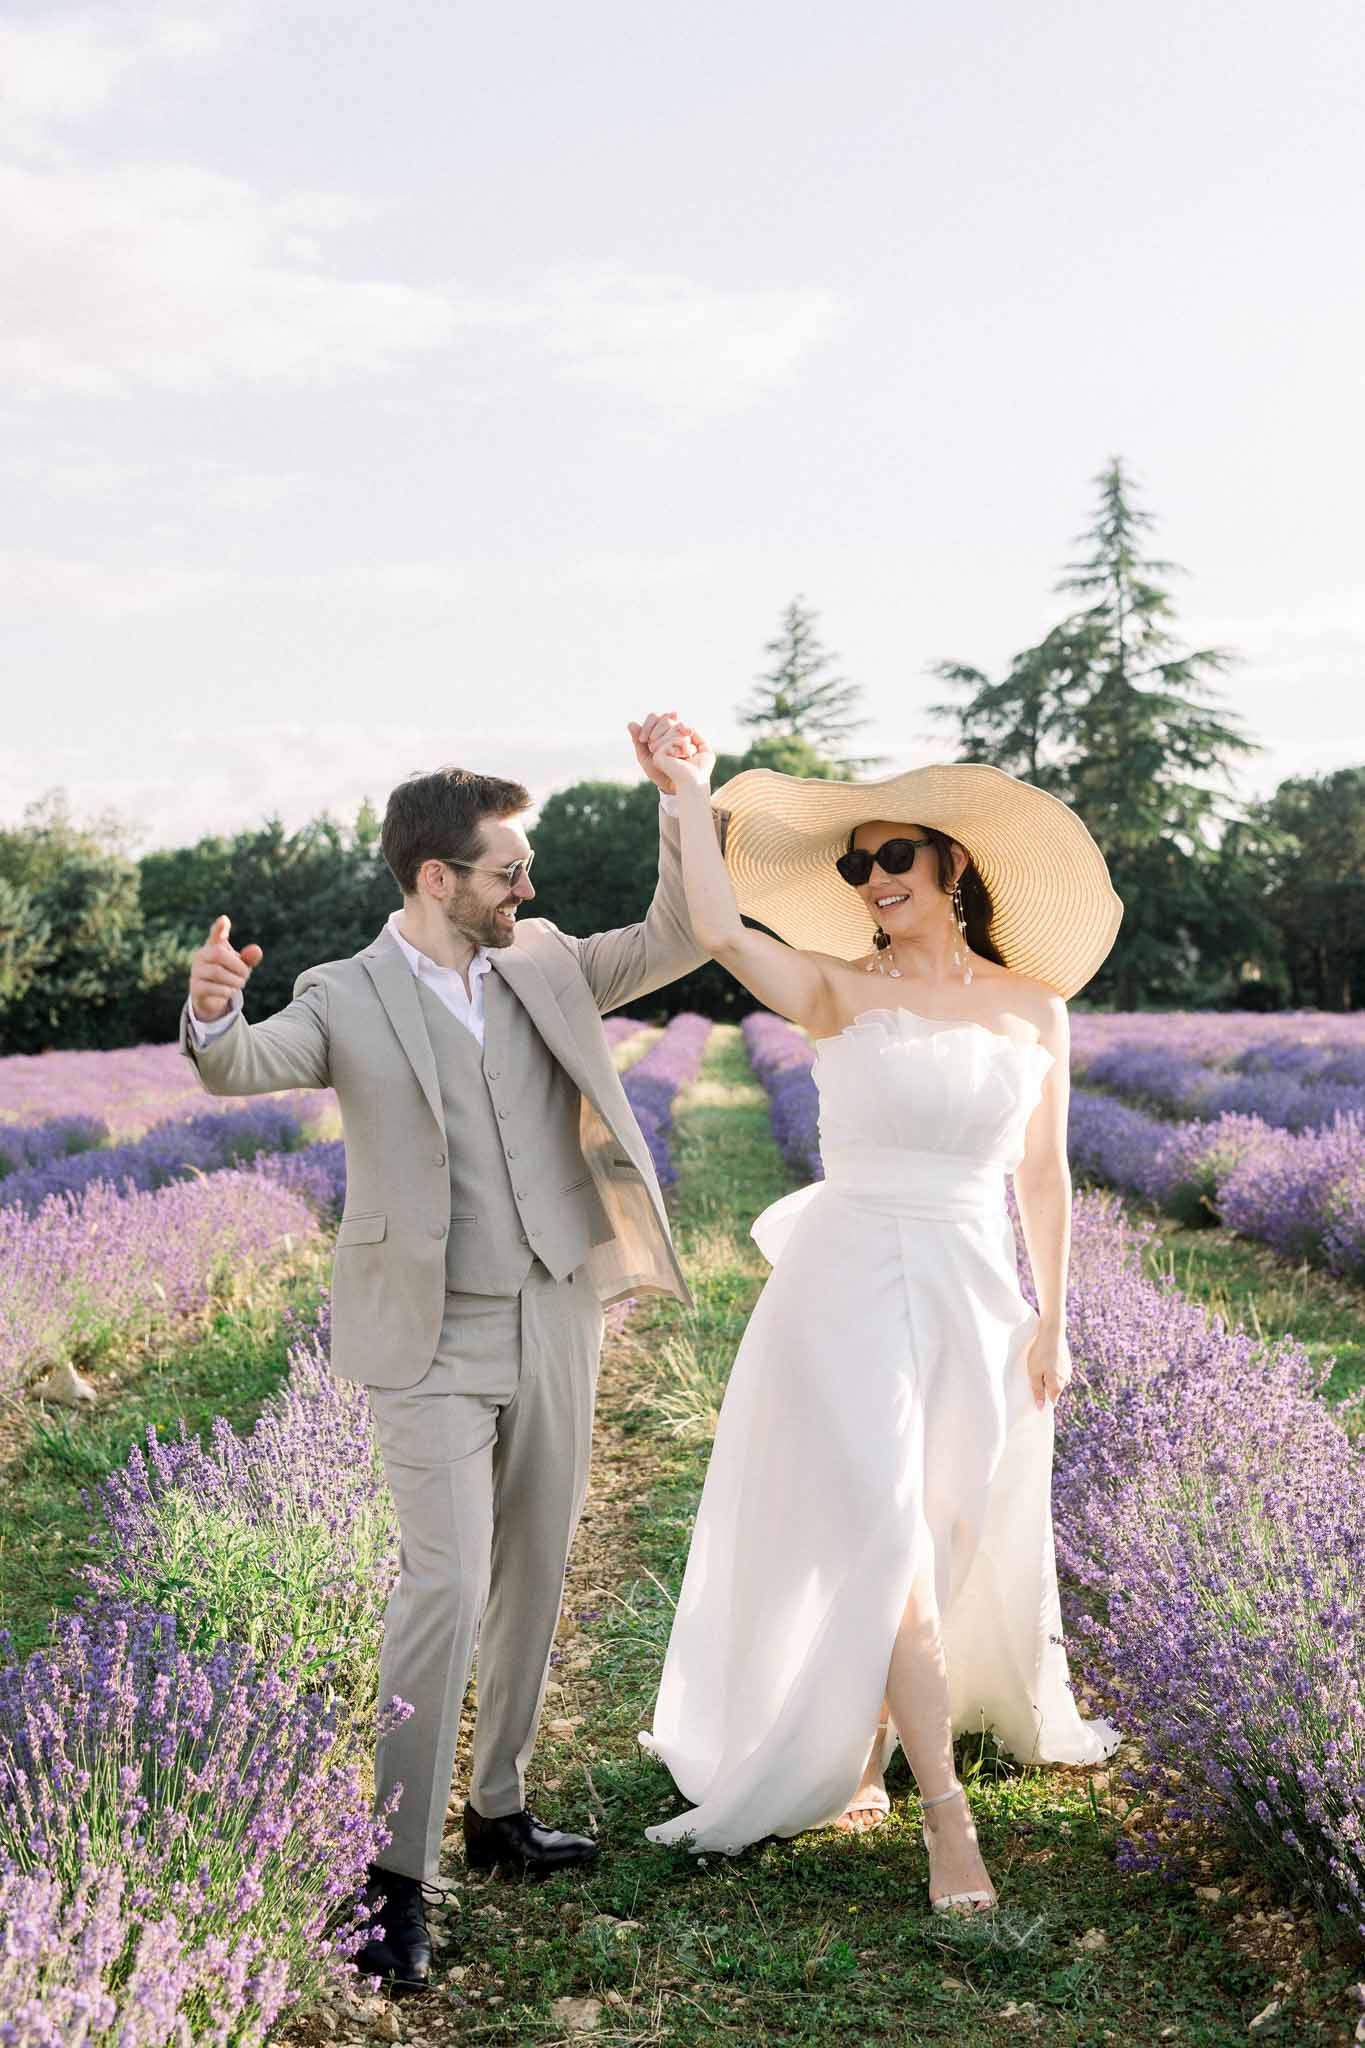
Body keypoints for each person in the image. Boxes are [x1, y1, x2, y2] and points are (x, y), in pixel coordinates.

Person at [181, 714, 713, 1987]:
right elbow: (239, 1066)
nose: (526, 886)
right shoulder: (341, 993)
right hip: (425, 1334)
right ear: (438, 878)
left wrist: (683, 799)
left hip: (555, 1305)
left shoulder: (544, 960)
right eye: (505, 870)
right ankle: (394, 1877)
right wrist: (211, 1012)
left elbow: (685, 932)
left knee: (536, 1566)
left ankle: (500, 1807)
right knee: (446, 1585)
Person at [638, 724, 1123, 1913]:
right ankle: (947, 1820)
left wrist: (1055, 1317)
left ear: (954, 865)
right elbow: (714, 929)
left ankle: (863, 1740)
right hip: (847, 1276)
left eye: (894, 853)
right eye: (857, 866)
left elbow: (1044, 1178)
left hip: (971, 1285)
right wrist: (689, 793)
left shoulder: (1035, 1008)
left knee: (945, 1527)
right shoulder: (835, 988)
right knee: (889, 1521)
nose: (874, 879)